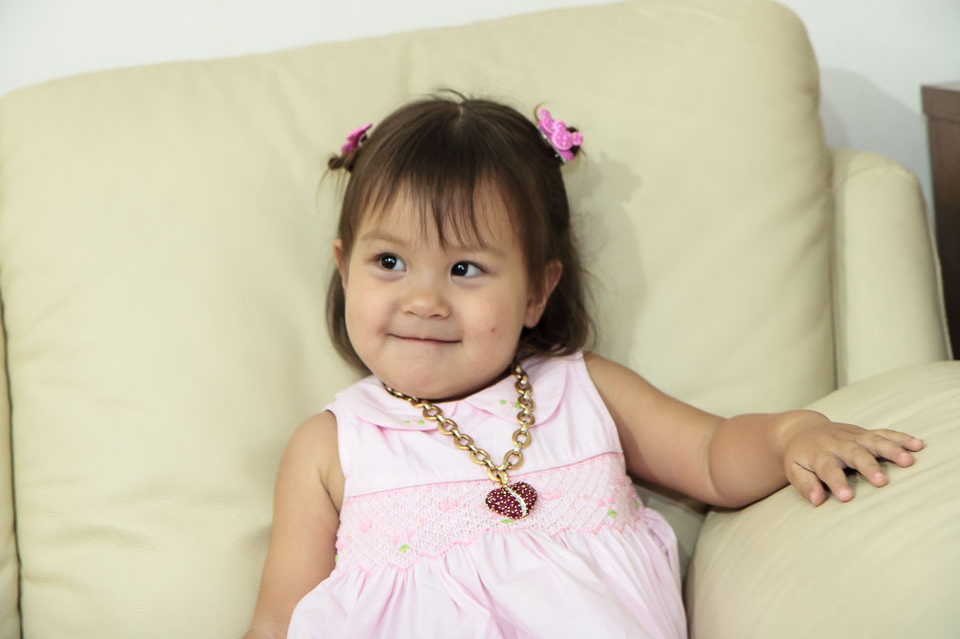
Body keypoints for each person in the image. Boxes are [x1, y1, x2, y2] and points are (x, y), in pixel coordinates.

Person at [244, 93, 925, 639]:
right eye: (389, 262)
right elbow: (279, 622)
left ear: (537, 291)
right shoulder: (330, 447)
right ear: (345, 268)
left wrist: (789, 436)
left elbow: (712, 454)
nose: (424, 301)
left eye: (465, 268)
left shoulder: (582, 390)